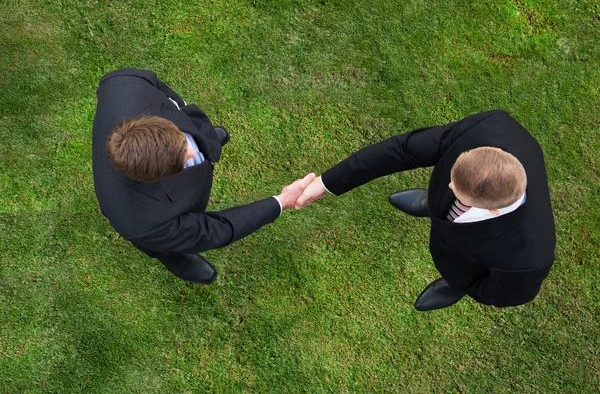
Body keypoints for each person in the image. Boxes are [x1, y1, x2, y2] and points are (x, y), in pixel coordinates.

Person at [295, 110, 556, 311]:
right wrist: (325, 183)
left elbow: (504, 294)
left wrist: (467, 283)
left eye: (457, 191)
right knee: (440, 202)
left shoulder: (527, 258)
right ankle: (434, 207)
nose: (449, 184)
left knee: (460, 274)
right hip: (466, 200)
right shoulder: (490, 127)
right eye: (454, 177)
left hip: (467, 267)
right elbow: (403, 149)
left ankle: (455, 284)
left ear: (495, 211)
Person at [92, 68, 315, 284]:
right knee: (164, 242)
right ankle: (173, 254)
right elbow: (216, 229)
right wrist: (280, 202)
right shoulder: (144, 222)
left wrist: (188, 119)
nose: (191, 150)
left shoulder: (123, 82)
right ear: (157, 177)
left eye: (181, 140)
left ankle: (204, 142)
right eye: (183, 160)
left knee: (203, 141)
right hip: (158, 228)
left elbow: (165, 95)